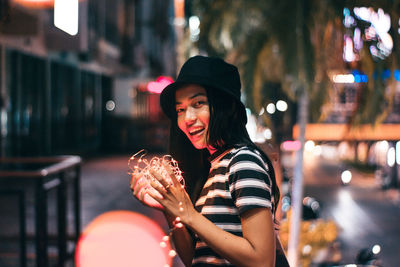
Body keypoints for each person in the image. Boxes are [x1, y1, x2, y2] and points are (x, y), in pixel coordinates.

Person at [130, 55, 289, 267]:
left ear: (227, 107)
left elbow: (262, 260)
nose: (188, 118)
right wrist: (171, 209)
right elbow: (194, 259)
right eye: (181, 109)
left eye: (198, 103)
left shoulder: (243, 161)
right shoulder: (213, 169)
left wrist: (188, 214)